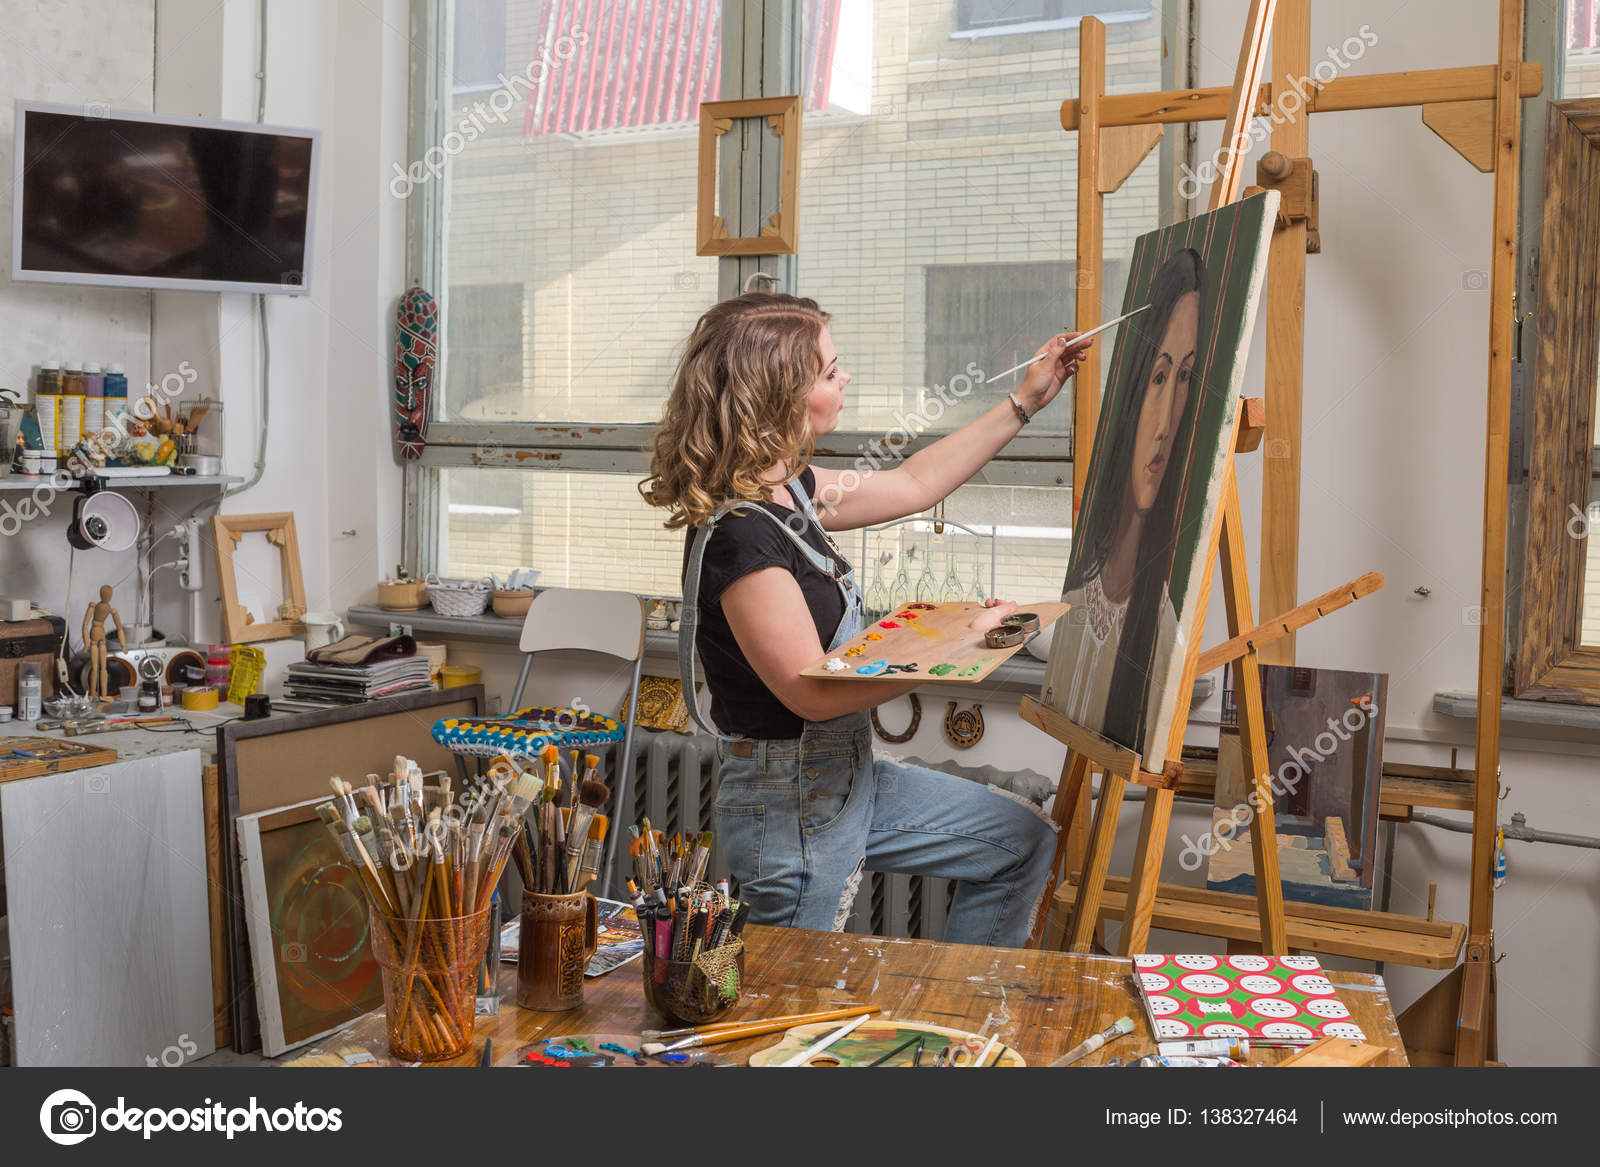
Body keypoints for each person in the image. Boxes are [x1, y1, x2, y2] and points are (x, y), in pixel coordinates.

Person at [640, 292, 1088, 946]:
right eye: (829, 372)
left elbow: (912, 484)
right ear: (777, 396)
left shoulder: (788, 492)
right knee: (783, 1022)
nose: (844, 378)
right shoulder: (742, 537)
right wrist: (954, 646)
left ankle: (950, 1030)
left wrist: (1026, 399)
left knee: (1021, 842)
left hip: (849, 780)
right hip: (788, 803)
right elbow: (814, 692)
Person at [1043, 248, 1206, 759]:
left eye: (1184, 378)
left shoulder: (1161, 626)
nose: (1166, 423)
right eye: (1159, 377)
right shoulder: (1076, 602)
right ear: (1132, 386)